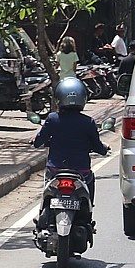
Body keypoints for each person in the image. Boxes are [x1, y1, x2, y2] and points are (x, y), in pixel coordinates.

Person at [31, 77, 111, 209]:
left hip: (55, 169)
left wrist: (36, 141)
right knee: (90, 180)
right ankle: (88, 209)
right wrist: (104, 148)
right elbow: (97, 146)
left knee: (47, 190)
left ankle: (43, 213)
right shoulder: (88, 122)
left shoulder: (52, 118)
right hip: (81, 170)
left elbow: (39, 142)